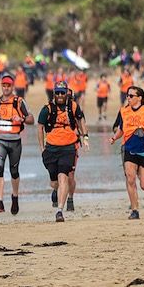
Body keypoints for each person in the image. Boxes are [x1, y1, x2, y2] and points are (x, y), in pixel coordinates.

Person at [109, 85, 144, 220]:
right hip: (129, 149)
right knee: (130, 179)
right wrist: (115, 137)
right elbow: (121, 129)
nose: (128, 98)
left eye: (131, 96)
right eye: (127, 95)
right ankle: (135, 210)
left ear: (139, 98)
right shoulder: (124, 111)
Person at [38, 84, 88, 223]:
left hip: (70, 147)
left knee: (65, 176)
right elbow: (40, 127)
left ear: (67, 93)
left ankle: (60, 209)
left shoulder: (73, 107)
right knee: (55, 181)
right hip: (51, 149)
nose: (60, 95)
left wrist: (85, 138)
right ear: (54, 93)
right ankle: (56, 190)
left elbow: (82, 121)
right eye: (58, 93)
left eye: (63, 93)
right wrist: (42, 148)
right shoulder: (47, 109)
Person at [0, 74, 34, 215]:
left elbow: (31, 119)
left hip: (15, 141)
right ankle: (0, 202)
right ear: (1, 86)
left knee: (14, 171)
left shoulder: (19, 102)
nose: (6, 88)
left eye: (8, 86)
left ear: (12, 87)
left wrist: (21, 118)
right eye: (4, 85)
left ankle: (15, 197)